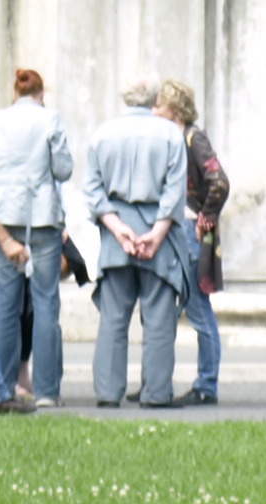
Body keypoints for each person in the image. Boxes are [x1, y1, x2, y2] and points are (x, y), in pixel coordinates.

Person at [83, 78, 193, 408]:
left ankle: (108, 392)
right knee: (159, 320)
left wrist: (118, 229)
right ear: (155, 98)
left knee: (113, 318)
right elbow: (175, 190)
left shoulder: (103, 134)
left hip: (116, 232)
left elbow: (92, 190)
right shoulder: (171, 135)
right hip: (159, 233)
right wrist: (157, 232)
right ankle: (156, 392)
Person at [0, 69, 72, 412]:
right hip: (41, 215)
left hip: (2, 215)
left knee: (6, 302)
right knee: (45, 301)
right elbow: (63, 169)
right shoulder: (50, 119)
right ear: (41, 94)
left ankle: (3, 386)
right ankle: (46, 389)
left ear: (14, 93)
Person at [159, 82, 230, 404]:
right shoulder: (177, 137)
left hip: (189, 229)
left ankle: (206, 385)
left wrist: (206, 217)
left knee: (198, 310)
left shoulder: (193, 138)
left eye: (159, 105)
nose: (154, 111)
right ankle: (159, 381)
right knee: (175, 309)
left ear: (174, 109)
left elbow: (219, 181)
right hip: (180, 228)